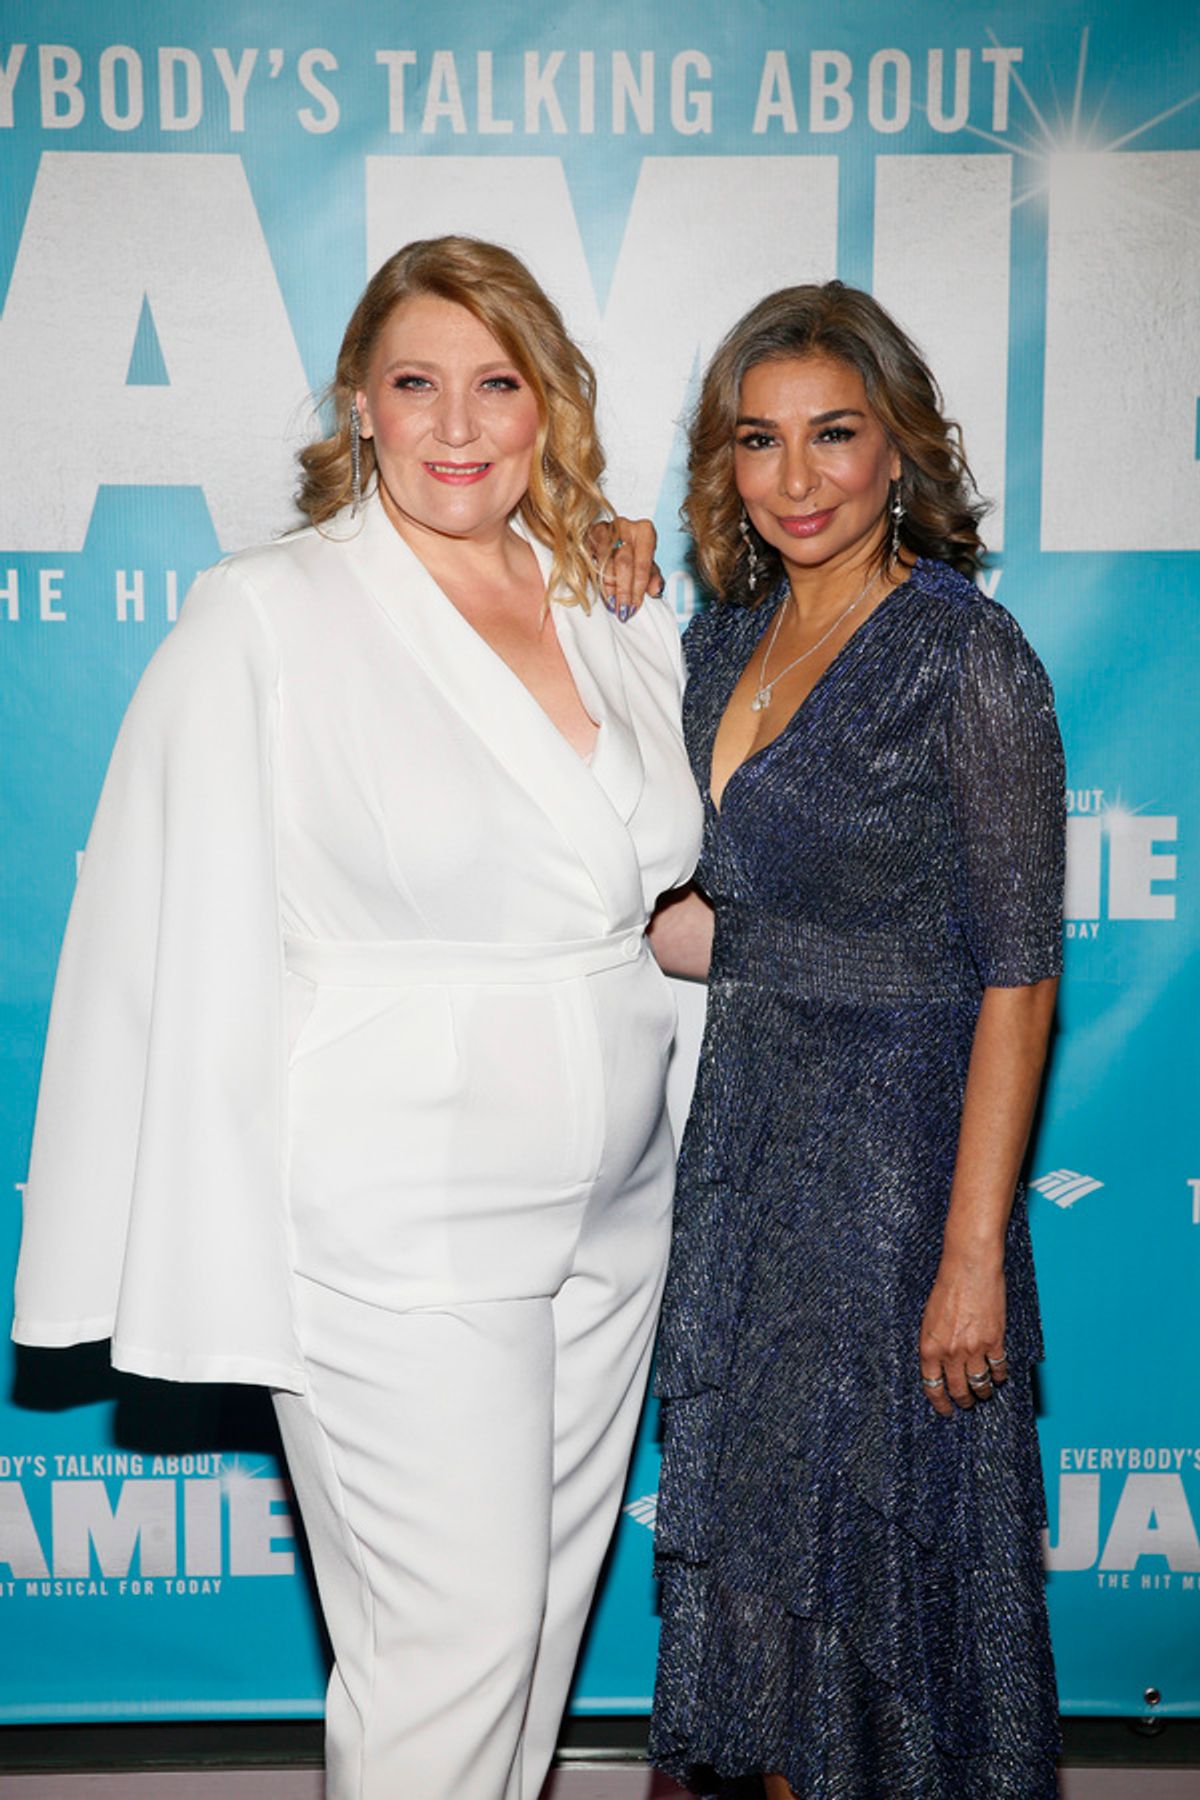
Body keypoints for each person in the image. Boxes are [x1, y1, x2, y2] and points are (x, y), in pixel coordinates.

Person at [12, 235, 703, 1800]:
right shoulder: (266, 617)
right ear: (361, 406)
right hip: (396, 1217)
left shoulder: (600, 593)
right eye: (416, 384)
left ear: (550, 405)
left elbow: (652, 897)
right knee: (444, 1651)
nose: (457, 425)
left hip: (615, 1211)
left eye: (496, 384)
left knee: (525, 1640)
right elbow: (157, 934)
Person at [646, 282, 1064, 1798]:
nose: (799, 476)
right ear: (727, 465)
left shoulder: (965, 653)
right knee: (768, 1609)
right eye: (760, 441)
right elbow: (693, 908)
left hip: (897, 1195)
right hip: (747, 1182)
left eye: (835, 433)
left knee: (896, 1619)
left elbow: (1019, 975)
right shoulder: (712, 646)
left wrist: (970, 1256)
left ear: (899, 446)